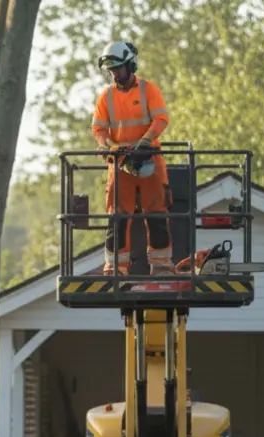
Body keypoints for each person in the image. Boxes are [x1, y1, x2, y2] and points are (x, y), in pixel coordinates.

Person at [91, 41, 172, 275]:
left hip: (150, 160)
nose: (115, 74)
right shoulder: (106, 96)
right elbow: (99, 129)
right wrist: (105, 146)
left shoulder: (149, 90)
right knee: (117, 217)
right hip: (119, 163)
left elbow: (161, 119)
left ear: (130, 65)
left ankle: (161, 265)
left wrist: (144, 143)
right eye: (111, 70)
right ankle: (116, 267)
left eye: (118, 68)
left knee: (157, 215)